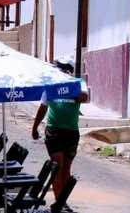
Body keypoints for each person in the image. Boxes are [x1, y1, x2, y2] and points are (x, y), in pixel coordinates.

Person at [32, 59, 88, 198]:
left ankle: (63, 201)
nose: (58, 71)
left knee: (66, 169)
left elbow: (84, 97)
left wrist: (66, 90)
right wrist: (35, 127)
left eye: (61, 69)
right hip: (54, 131)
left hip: (72, 131)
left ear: (68, 70)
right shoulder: (50, 85)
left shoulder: (78, 83)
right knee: (57, 167)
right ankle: (58, 202)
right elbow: (43, 107)